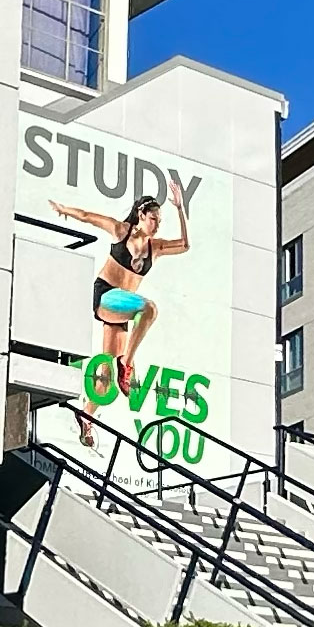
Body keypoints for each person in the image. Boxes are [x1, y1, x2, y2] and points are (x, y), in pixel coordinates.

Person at [49, 179, 191, 442]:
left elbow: (184, 244)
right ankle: (126, 363)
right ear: (141, 215)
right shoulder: (121, 232)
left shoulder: (155, 248)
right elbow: (88, 217)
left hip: (123, 310)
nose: (156, 225)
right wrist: (64, 210)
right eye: (153, 219)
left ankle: (86, 416)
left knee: (106, 376)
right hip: (105, 297)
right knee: (150, 309)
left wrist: (181, 209)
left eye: (160, 221)